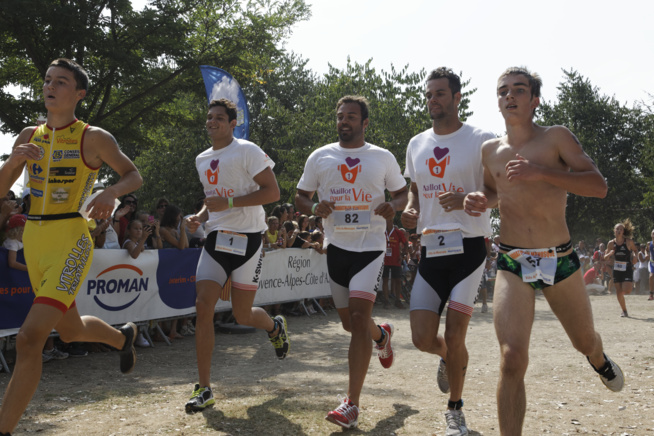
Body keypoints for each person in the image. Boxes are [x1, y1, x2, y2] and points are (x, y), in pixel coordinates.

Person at [463, 66, 623, 435]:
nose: (509, 96)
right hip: (513, 261)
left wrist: (541, 172)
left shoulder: (555, 138)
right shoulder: (490, 150)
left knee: (584, 341)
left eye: (519, 90)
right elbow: (493, 193)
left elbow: (598, 186)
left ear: (535, 100)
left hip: (558, 259)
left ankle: (598, 359)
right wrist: (478, 199)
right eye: (503, 90)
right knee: (511, 359)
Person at [0, 58, 142, 436]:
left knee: (30, 339)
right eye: (47, 80)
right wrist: (14, 161)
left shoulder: (93, 137)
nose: (50, 86)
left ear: (79, 94)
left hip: (70, 238)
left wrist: (110, 191)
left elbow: (134, 175)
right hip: (34, 238)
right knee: (70, 330)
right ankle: (122, 337)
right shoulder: (29, 134)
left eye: (61, 82)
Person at [295, 95, 408, 429]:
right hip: (337, 247)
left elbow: (402, 193)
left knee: (358, 318)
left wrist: (394, 205)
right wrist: (313, 208)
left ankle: (351, 404)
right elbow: (301, 196)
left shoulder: (382, 157)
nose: (344, 121)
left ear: (364, 122)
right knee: (352, 324)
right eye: (340, 116)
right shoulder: (320, 157)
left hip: (370, 246)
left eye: (351, 116)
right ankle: (381, 335)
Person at [401, 67, 496, 436]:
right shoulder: (416, 143)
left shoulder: (481, 139)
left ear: (457, 98)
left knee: (457, 335)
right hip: (430, 246)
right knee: (423, 338)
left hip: (469, 246)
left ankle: (455, 411)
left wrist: (472, 199)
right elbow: (414, 188)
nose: (433, 100)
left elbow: (496, 191)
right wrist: (410, 209)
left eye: (440, 94)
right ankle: (449, 358)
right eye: (429, 95)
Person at [183, 98, 288, 413]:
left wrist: (228, 204)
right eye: (209, 117)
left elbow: (273, 193)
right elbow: (211, 199)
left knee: (242, 315)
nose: (212, 122)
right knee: (203, 306)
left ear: (232, 124)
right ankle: (204, 388)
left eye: (219, 118)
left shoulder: (247, 150)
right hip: (216, 238)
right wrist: (200, 217)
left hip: (248, 240)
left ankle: (274, 327)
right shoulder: (202, 158)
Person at [604, 220, 637, 317]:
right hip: (617, 269)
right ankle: (624, 311)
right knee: (618, 291)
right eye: (617, 229)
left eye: (621, 229)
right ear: (614, 231)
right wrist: (610, 254)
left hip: (627, 268)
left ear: (623, 231)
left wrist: (635, 256)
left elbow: (635, 250)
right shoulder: (611, 243)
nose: (619, 231)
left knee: (627, 290)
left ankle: (621, 296)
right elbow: (605, 257)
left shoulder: (628, 241)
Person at [381, 217, 407, 309]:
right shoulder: (382, 232)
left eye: (388, 220)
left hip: (396, 260)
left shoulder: (397, 232)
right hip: (384, 260)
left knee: (398, 281)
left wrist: (403, 255)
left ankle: (397, 300)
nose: (387, 222)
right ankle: (386, 301)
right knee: (385, 279)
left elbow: (406, 243)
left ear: (391, 221)